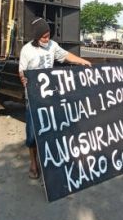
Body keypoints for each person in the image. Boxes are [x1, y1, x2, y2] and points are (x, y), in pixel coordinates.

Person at [18, 18, 91, 179]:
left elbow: (66, 56)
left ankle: (50, 163)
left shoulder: (52, 46)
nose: (47, 39)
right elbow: (22, 72)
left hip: (51, 98)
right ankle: (33, 162)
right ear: (36, 37)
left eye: (48, 35)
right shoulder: (26, 50)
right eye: (43, 37)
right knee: (32, 134)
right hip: (34, 98)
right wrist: (23, 79)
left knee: (52, 131)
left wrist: (82, 61)